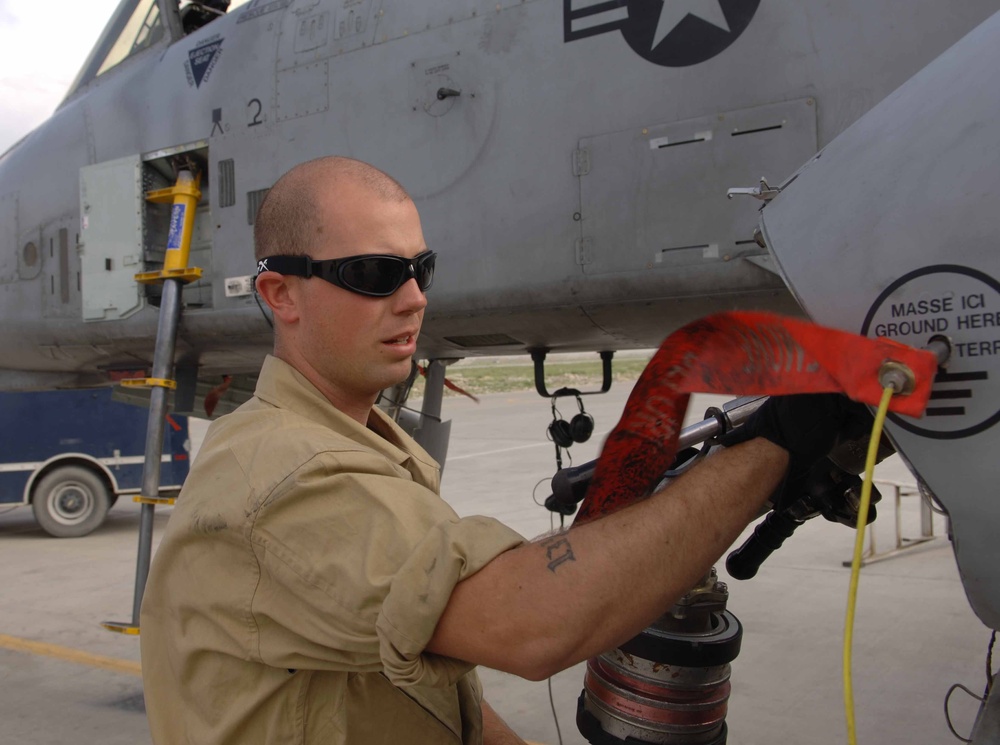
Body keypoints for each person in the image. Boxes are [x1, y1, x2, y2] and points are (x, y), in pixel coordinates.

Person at [140, 156, 860, 744]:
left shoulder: (358, 441)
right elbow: (530, 622)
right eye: (373, 274)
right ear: (281, 294)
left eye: (421, 267)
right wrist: (769, 452)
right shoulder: (280, 474)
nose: (415, 296)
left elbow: (416, 674)